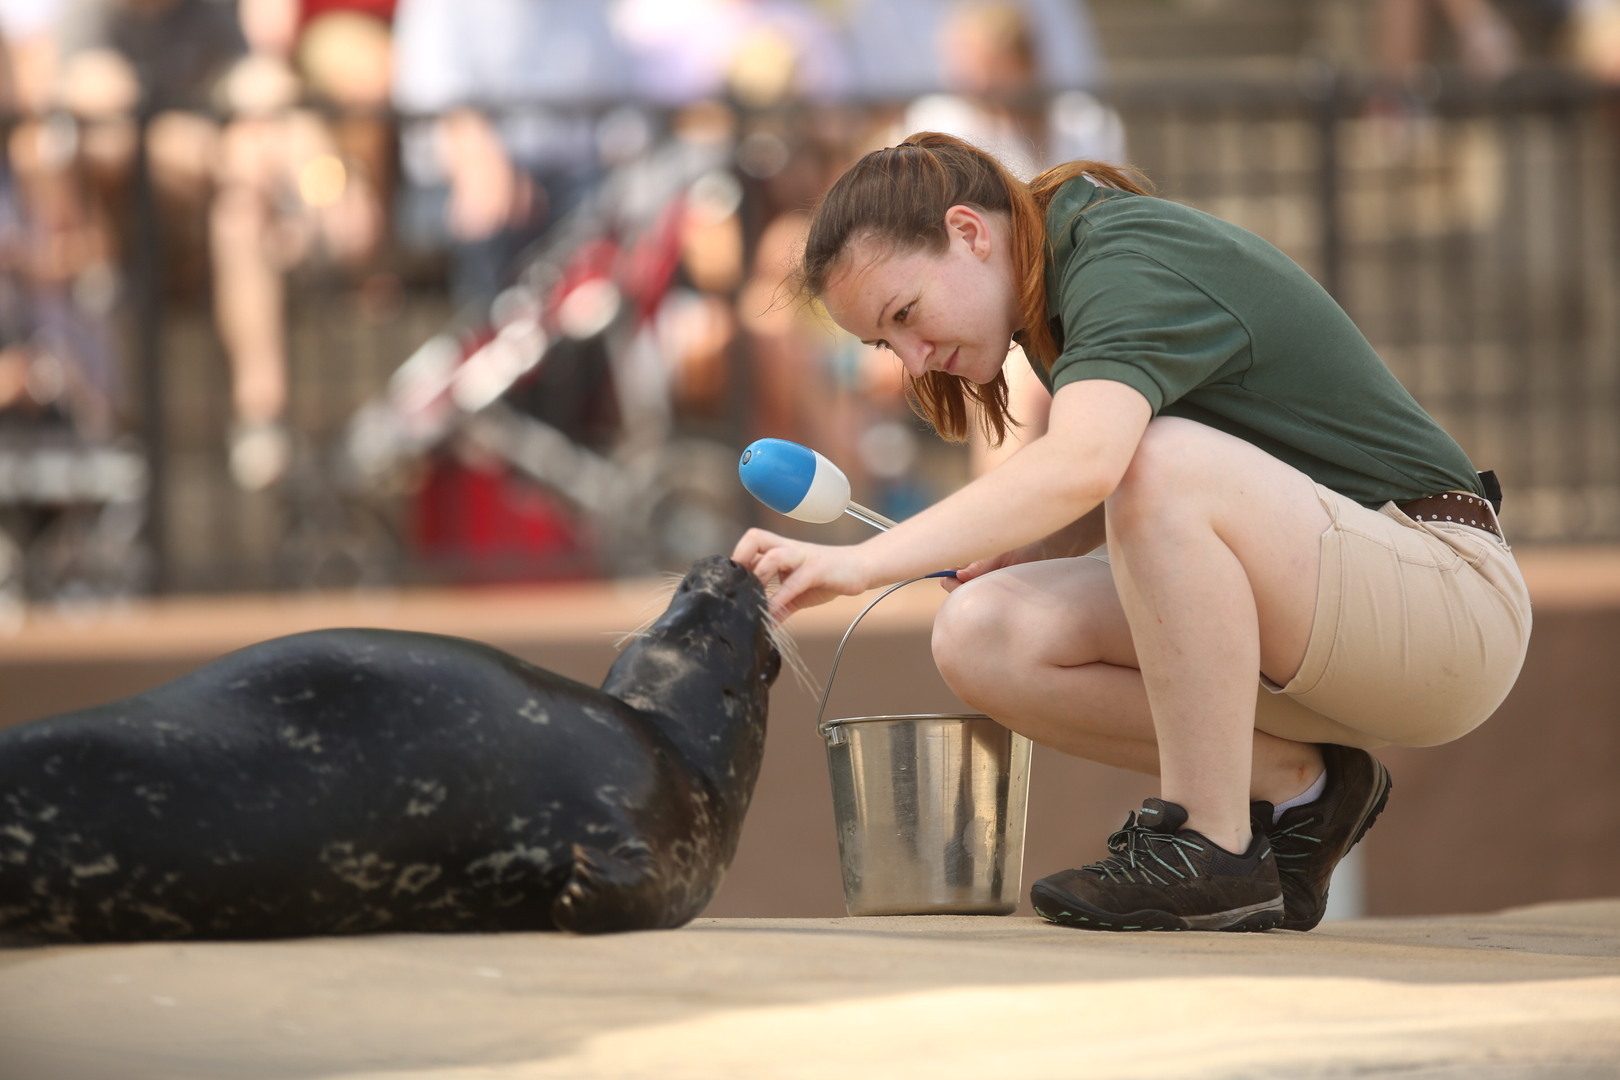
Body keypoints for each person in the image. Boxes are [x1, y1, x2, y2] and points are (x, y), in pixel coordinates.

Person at [731, 132, 1532, 933]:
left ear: (970, 232)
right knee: (983, 630)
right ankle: (1302, 786)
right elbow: (1126, 481)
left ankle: (1210, 842)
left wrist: (861, 565)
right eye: (884, 342)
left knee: (1156, 460)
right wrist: (1034, 545)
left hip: (1447, 602)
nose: (912, 360)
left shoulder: (1120, 258)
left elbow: (1096, 463)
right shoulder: (1049, 296)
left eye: (905, 313)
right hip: (1329, 632)